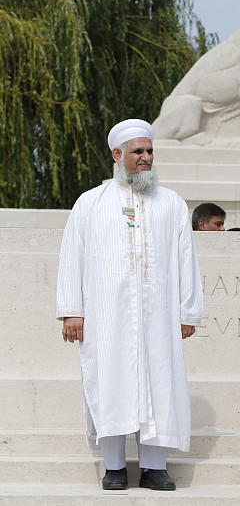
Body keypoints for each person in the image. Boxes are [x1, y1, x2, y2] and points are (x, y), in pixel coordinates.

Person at [56, 119, 203, 491]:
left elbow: (187, 259)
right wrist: (73, 310)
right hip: (108, 316)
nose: (146, 158)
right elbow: (72, 257)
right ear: (117, 155)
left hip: (160, 315)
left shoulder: (171, 202)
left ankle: (155, 467)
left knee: (159, 381)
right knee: (110, 381)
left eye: (150, 151)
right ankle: (115, 467)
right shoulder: (90, 203)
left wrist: (188, 311)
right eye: (138, 151)